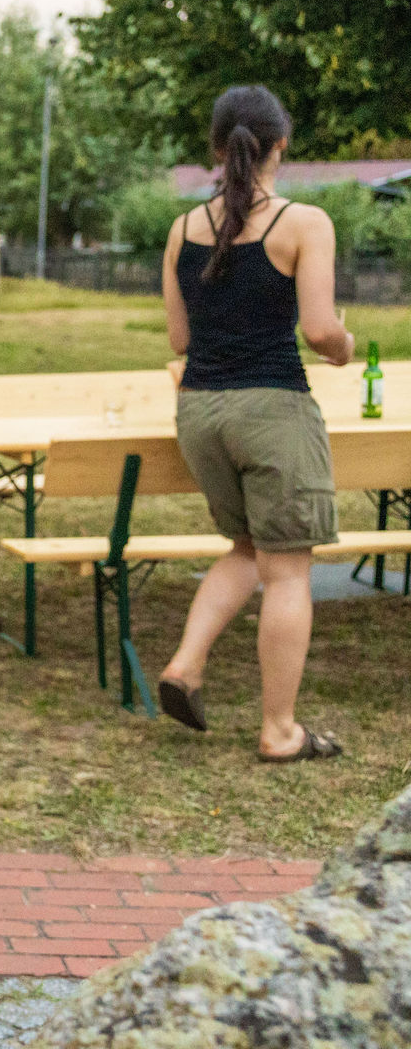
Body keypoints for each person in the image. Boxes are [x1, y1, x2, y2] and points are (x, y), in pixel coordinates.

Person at [155, 84, 354, 763]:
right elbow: (323, 328)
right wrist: (344, 346)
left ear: (216, 148)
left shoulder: (183, 230)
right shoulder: (303, 223)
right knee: (289, 569)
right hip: (273, 407)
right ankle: (279, 730)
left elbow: (180, 340)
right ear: (280, 144)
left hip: (201, 411)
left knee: (247, 548)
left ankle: (184, 664)